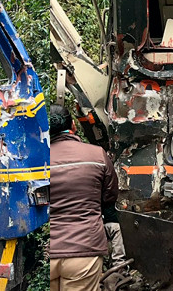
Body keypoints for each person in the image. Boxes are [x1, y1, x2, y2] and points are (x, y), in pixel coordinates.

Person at [49, 104, 118, 291]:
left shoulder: (37, 159)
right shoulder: (97, 155)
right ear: (73, 125)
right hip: (84, 250)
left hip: (46, 251)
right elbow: (110, 197)